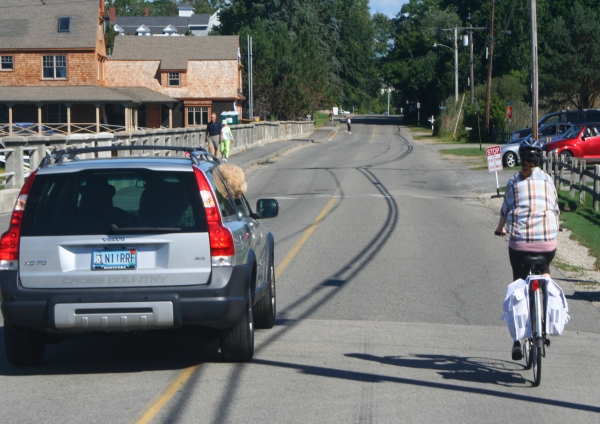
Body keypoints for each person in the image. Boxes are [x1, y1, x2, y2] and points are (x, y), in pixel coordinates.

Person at [495, 138, 560, 360]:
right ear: (540, 158)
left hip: (520, 245)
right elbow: (555, 209)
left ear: (521, 158)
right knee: (545, 267)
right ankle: (546, 314)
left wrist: (500, 229)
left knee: (519, 283)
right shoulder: (548, 180)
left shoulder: (514, 181)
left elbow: (505, 210)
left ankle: (516, 340)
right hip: (547, 244)